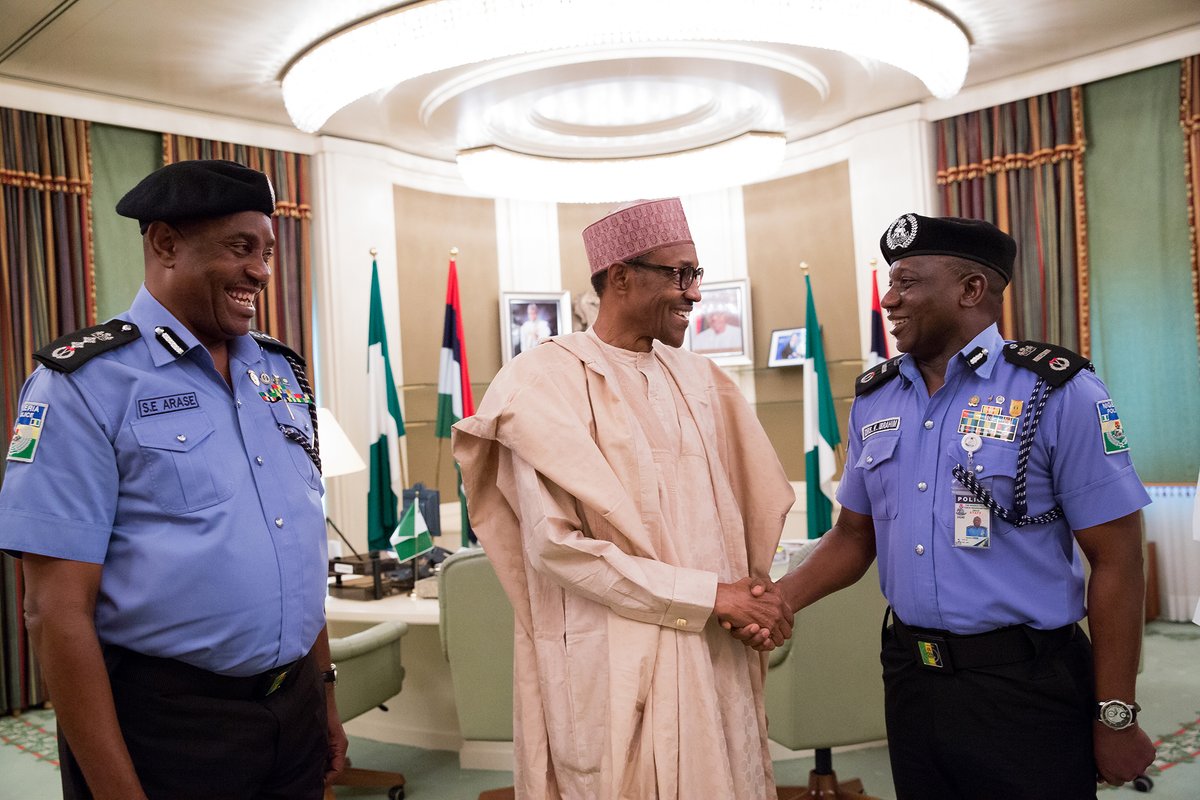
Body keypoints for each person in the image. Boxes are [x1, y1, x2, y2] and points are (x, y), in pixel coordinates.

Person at [740, 213, 1156, 798]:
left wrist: (1116, 714)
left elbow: (1117, 561)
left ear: (970, 289)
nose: (890, 299)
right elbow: (855, 536)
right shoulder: (875, 397)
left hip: (1024, 685)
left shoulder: (1057, 391)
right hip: (913, 680)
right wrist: (777, 601)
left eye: (908, 282)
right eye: (891, 283)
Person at [0, 160, 346, 799]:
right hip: (171, 728)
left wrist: (322, 691)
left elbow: (293, 540)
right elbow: (54, 611)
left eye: (267, 252)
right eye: (241, 248)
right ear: (164, 244)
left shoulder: (281, 374)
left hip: (292, 708)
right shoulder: (83, 383)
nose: (262, 272)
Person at [452, 197, 796, 799]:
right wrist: (710, 595)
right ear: (621, 277)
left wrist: (754, 597)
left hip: (713, 647)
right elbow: (558, 548)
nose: (694, 294)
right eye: (679, 274)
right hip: (612, 656)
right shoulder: (539, 384)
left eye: (697, 276)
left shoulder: (702, 380)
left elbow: (751, 509)